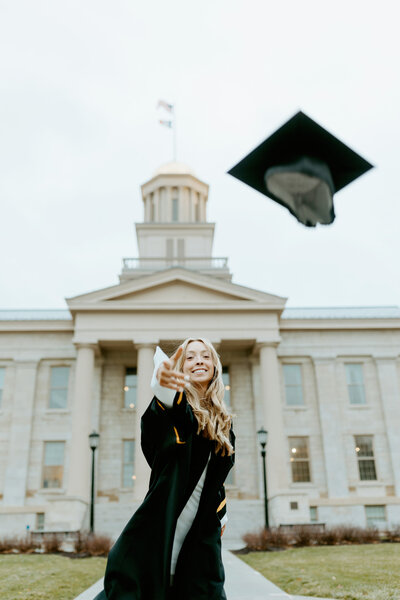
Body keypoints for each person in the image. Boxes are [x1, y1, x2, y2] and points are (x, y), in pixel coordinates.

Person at [94, 337, 235, 600]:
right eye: (190, 357)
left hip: (200, 538)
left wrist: (221, 513)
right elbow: (160, 425)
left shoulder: (222, 424)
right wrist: (163, 387)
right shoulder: (178, 412)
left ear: (215, 366)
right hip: (160, 527)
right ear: (181, 370)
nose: (198, 361)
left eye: (205, 355)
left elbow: (216, 480)